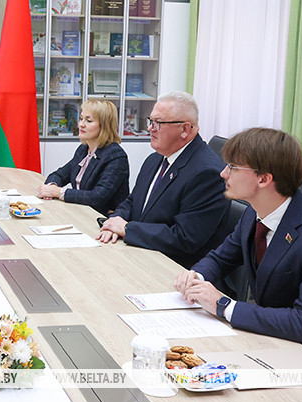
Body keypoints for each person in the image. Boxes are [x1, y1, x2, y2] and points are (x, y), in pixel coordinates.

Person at [175, 128, 302, 369]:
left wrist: (224, 305)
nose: (223, 173)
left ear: (263, 179)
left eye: (233, 167)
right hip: (269, 343)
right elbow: (221, 258)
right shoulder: (254, 213)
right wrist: (196, 276)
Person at [97, 91, 230, 269]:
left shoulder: (208, 173)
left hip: (174, 269)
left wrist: (127, 229)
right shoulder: (155, 159)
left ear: (185, 129)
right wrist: (115, 220)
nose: (150, 128)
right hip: (140, 254)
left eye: (158, 123)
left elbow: (185, 238)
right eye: (150, 121)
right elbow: (133, 201)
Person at [37, 99, 129, 215]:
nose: (81, 124)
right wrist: (52, 186)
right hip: (81, 212)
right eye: (81, 119)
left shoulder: (116, 156)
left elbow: (97, 197)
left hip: (104, 219)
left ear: (104, 126)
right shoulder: (83, 149)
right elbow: (59, 174)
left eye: (89, 121)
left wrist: (58, 192)